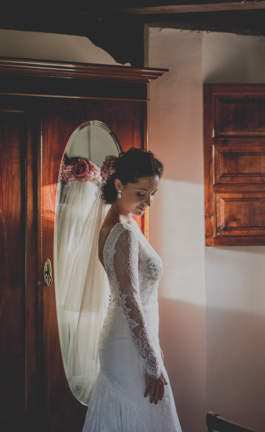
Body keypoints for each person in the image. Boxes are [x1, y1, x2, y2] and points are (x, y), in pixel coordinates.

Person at [82, 148, 183, 432]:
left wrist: (152, 346)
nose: (148, 202)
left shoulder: (123, 224)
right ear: (119, 185)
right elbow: (131, 301)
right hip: (127, 343)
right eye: (141, 193)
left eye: (153, 193)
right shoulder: (123, 233)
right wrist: (151, 362)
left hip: (133, 337)